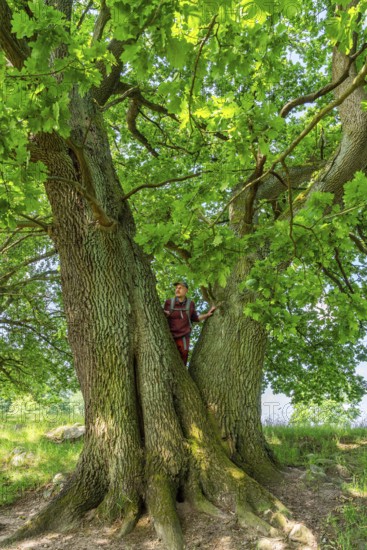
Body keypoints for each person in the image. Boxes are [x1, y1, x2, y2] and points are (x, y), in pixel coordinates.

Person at [164, 281, 216, 365]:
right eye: (176, 288)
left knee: (184, 355)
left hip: (183, 336)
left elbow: (195, 318)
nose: (177, 290)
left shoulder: (190, 304)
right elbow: (164, 315)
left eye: (180, 288)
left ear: (186, 290)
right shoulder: (169, 302)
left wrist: (207, 314)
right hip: (170, 335)